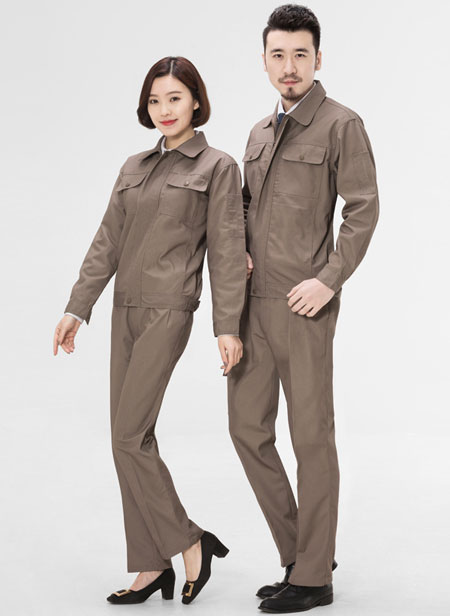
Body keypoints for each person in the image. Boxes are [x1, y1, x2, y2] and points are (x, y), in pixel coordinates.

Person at [53, 56, 249, 605]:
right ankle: (149, 565)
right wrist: (77, 308)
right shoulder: (134, 166)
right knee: (129, 440)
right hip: (124, 310)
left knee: (127, 435)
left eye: (175, 98)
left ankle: (189, 540)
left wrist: (227, 326)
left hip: (169, 310)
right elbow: (107, 241)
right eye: (155, 100)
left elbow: (227, 250)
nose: (164, 109)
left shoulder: (217, 166)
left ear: (196, 102)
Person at [227, 4, 380, 613]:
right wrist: (237, 250)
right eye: (278, 55)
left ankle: (314, 578)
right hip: (251, 307)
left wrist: (328, 280)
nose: (289, 66)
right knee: (246, 430)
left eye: (300, 54)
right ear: (263, 61)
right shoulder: (257, 134)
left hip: (303, 306)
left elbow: (363, 209)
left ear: (318, 58)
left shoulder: (342, 124)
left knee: (311, 437)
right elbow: (242, 207)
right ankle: (305, 552)